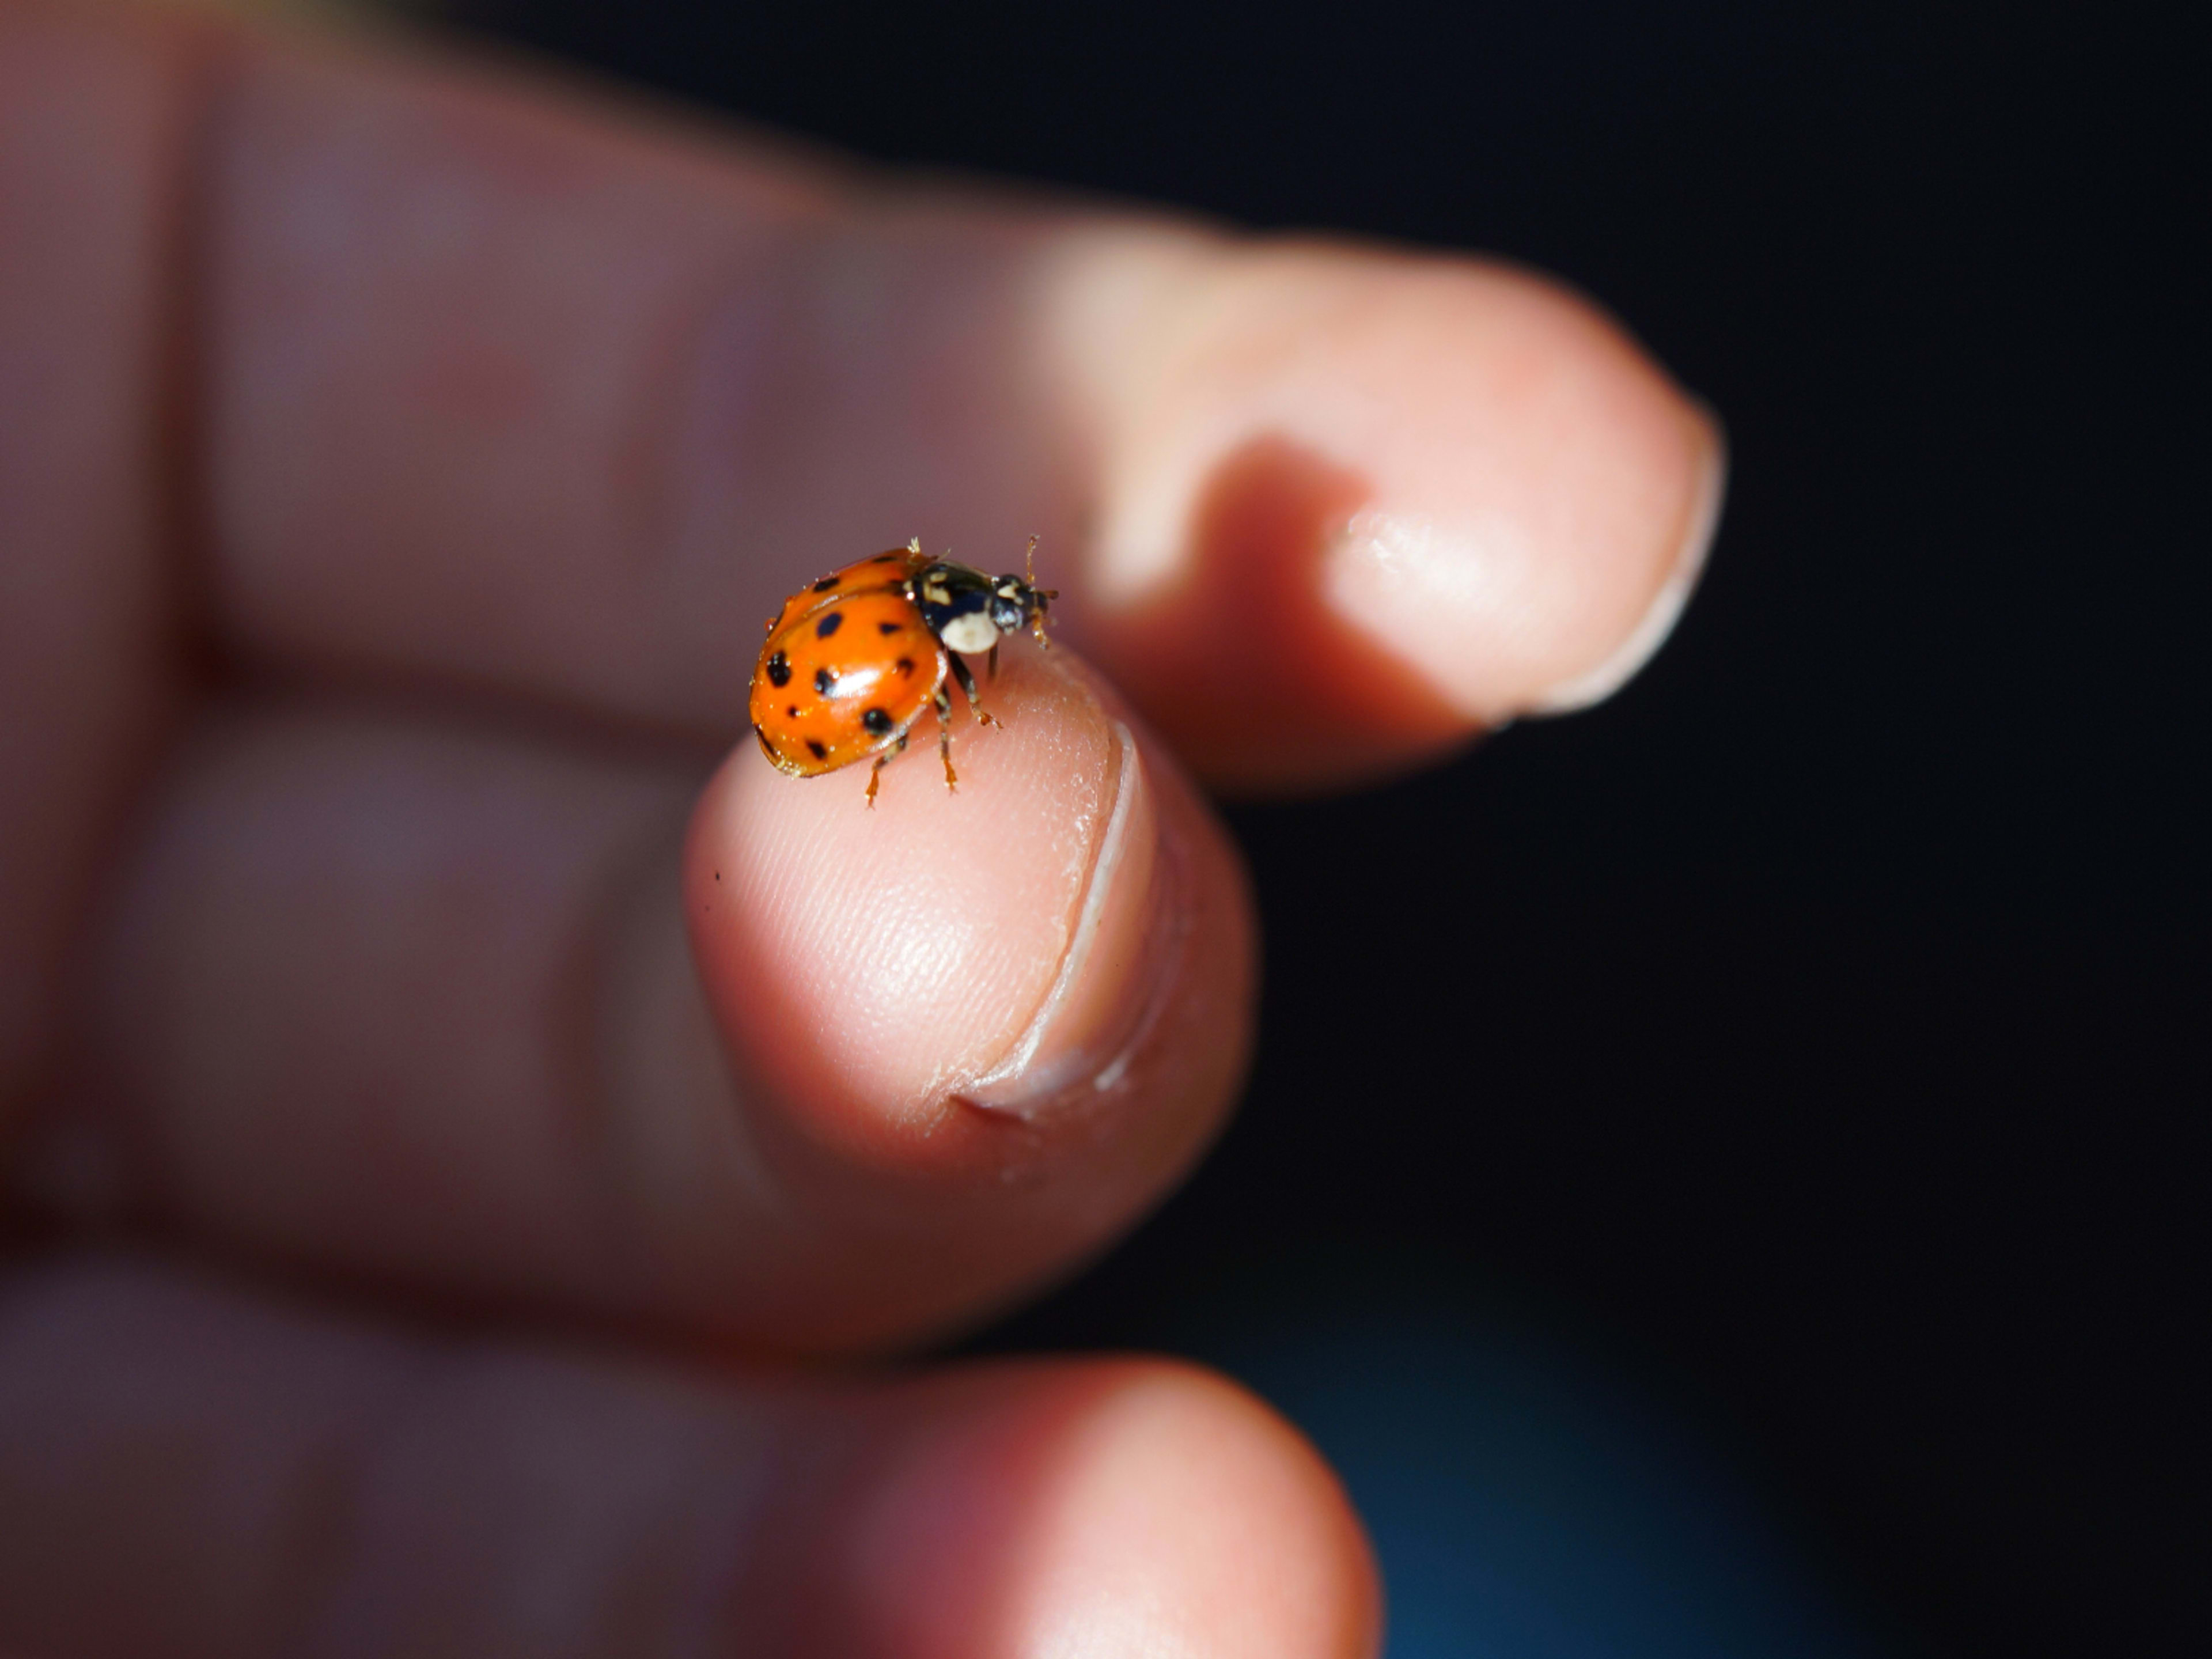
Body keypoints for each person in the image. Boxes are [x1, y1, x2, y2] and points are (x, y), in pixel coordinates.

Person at [0, 1, 1721, 1651]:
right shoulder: (917, 632)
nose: (1003, 636)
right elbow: (883, 691)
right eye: (993, 629)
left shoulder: (922, 611)